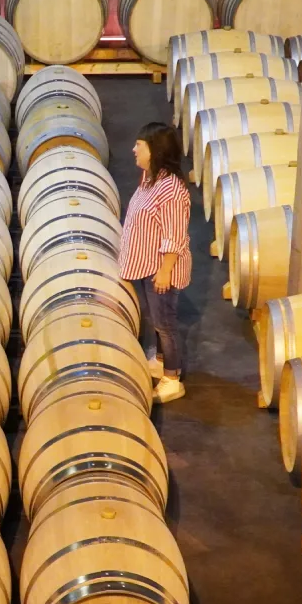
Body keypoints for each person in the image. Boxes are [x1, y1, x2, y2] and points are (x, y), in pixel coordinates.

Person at [118, 122, 192, 404]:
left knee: (165, 324)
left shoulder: (171, 189)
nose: (134, 149)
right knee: (156, 320)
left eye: (140, 145)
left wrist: (164, 272)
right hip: (146, 264)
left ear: (155, 149)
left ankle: (172, 379)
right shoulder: (150, 178)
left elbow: (175, 235)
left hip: (160, 269)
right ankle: (161, 361)